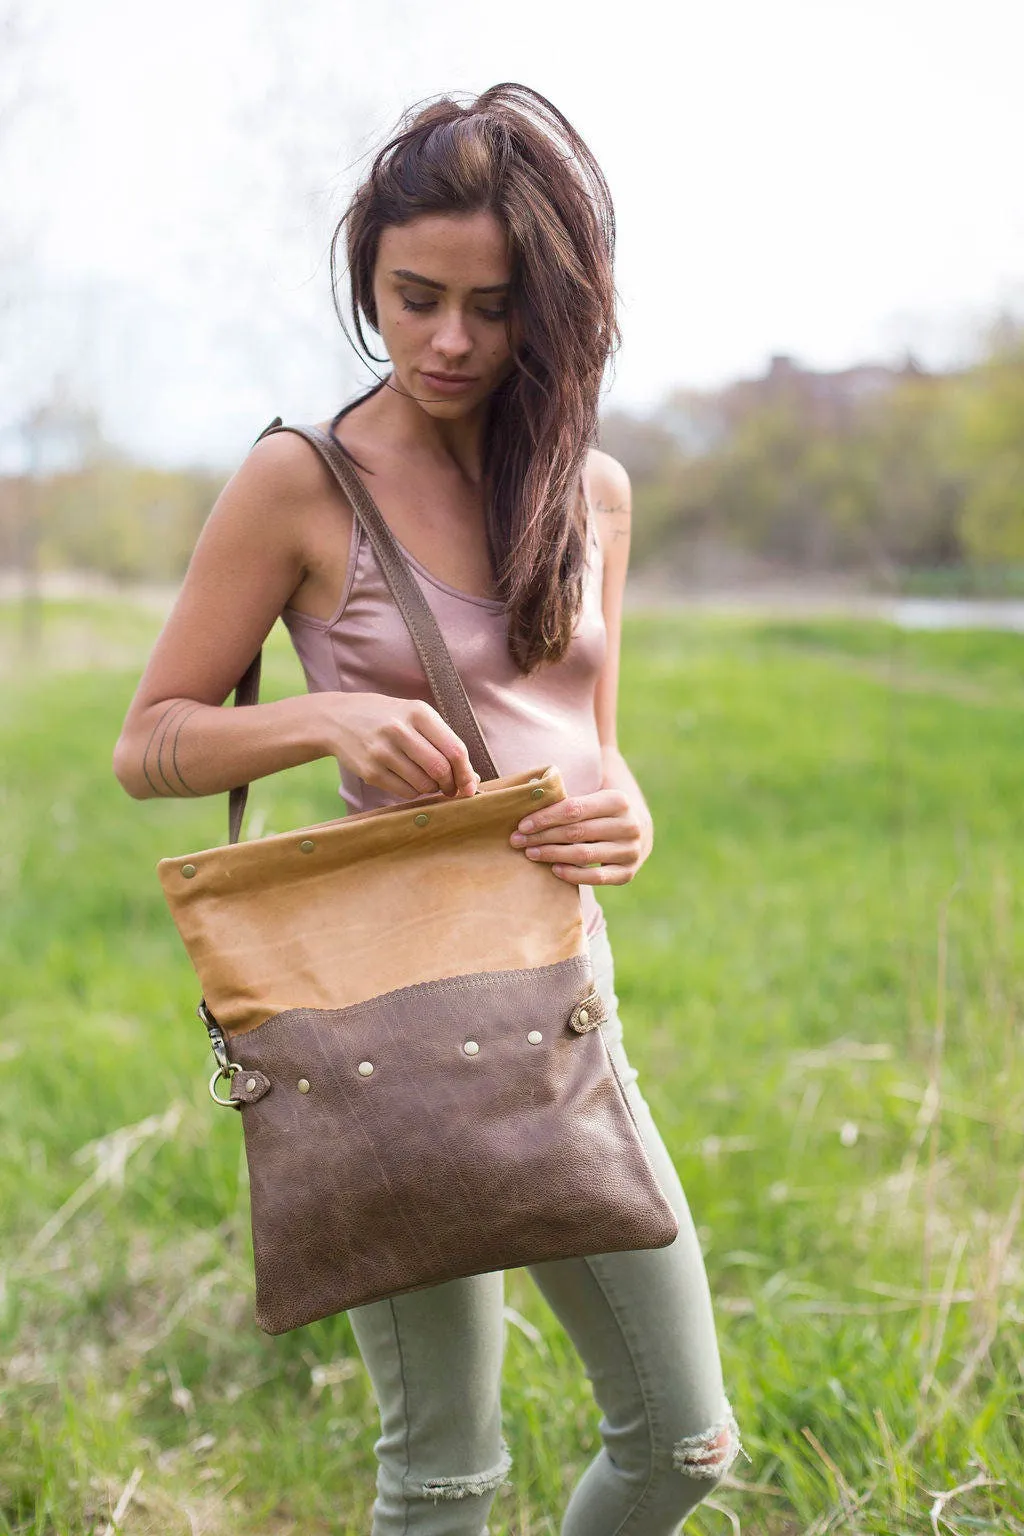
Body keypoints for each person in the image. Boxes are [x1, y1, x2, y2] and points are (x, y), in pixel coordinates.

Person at [113, 81, 742, 1536]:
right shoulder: (300, 480)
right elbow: (151, 743)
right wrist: (324, 711)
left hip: (564, 1003)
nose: (448, 340)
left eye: (493, 305)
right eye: (413, 297)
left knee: (682, 1445)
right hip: (381, 1024)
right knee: (446, 1471)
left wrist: (629, 816)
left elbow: (596, 740)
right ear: (368, 281)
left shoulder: (591, 491)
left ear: (557, 306)